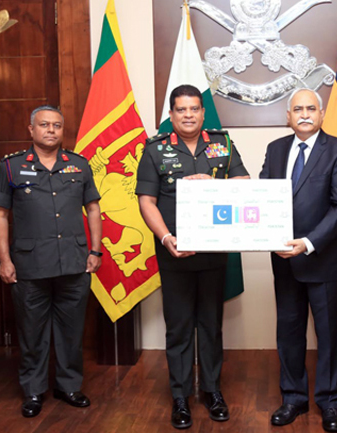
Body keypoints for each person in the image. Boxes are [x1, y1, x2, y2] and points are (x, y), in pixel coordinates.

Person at [136, 84, 250, 430]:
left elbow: (245, 184)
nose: (189, 115)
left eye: (194, 109)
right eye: (181, 110)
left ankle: (213, 392)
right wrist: (166, 238)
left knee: (211, 326)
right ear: (171, 115)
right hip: (175, 253)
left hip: (215, 252)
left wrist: (213, 185)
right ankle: (181, 397)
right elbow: (146, 201)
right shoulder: (155, 150)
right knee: (180, 327)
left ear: (203, 113)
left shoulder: (223, 144)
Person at [0, 105, 102, 418]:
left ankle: (68, 386)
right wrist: (4, 259)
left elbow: (93, 209)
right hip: (29, 265)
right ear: (31, 130)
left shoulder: (78, 165)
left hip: (73, 261)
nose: (50, 130)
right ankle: (34, 391)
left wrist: (95, 251)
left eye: (56, 125)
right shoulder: (11, 167)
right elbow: (0, 214)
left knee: (71, 331)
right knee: (31, 332)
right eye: (43, 125)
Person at [260, 88, 337, 433]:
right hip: (284, 261)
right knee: (288, 333)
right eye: (297, 109)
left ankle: (330, 402)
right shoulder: (275, 150)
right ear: (288, 116)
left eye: (310, 108)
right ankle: (293, 398)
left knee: (328, 336)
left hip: (324, 260)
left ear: (321, 114)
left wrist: (307, 242)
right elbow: (262, 198)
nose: (304, 114)